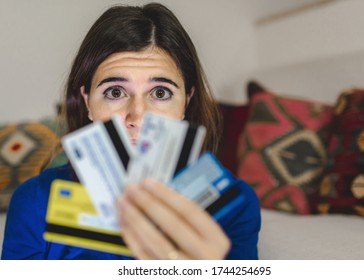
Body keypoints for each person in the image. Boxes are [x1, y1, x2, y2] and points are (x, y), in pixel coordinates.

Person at [1, 2, 261, 260]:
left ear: (186, 102)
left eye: (160, 93)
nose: (137, 117)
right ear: (88, 102)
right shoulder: (34, 200)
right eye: (115, 92)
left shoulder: (235, 203)